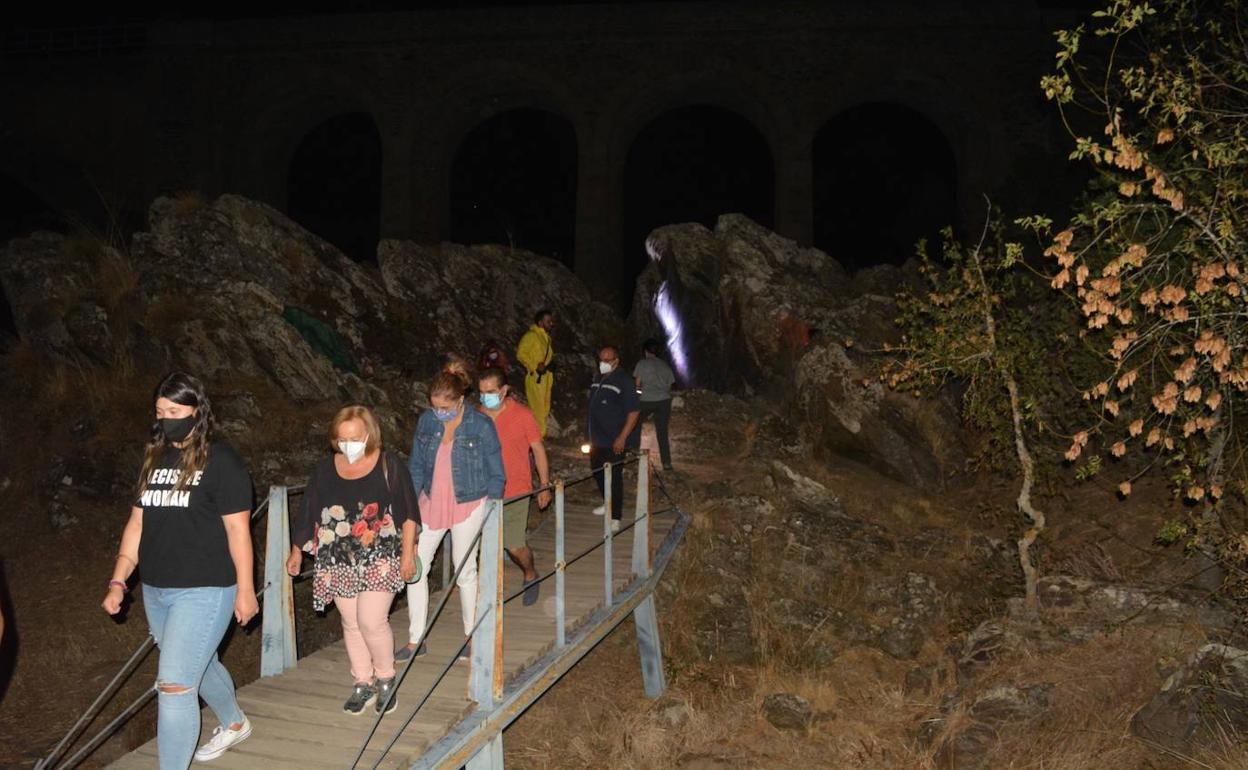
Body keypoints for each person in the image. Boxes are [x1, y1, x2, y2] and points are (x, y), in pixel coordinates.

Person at [101, 372, 257, 768]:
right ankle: (236, 724)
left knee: (173, 685)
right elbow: (136, 524)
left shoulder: (222, 460)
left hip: (205, 588)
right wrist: (119, 580)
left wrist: (245, 588)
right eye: (159, 411)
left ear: (196, 411)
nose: (166, 418)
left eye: (175, 410)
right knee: (198, 666)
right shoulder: (154, 457)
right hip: (156, 589)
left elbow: (238, 530)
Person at [287, 405, 420, 716]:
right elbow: (308, 510)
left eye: (355, 438)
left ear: (369, 435)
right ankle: (363, 681)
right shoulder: (324, 469)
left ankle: (386, 678)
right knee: (351, 623)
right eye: (342, 439)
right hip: (337, 555)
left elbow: (410, 513)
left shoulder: (389, 464)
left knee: (371, 621)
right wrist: (296, 551)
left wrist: (408, 554)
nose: (348, 445)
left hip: (381, 553)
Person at [398, 369, 506, 662]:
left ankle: (472, 637)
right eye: (434, 407)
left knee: (465, 569)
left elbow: (496, 470)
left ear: (460, 400)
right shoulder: (426, 422)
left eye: (444, 408)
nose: (438, 413)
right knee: (414, 567)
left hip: (469, 502)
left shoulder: (480, 424)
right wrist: (409, 506)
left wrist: (492, 509)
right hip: (431, 502)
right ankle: (415, 639)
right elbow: (417, 466)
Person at [477, 367, 551, 606]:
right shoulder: (479, 415)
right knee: (484, 545)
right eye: (481, 392)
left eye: (490, 392)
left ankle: (530, 574)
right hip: (483, 491)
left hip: (516, 488)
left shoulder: (523, 415)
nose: (485, 397)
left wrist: (544, 485)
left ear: (504, 390)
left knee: (514, 545)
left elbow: (538, 449)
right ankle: (488, 594)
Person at [587, 346, 640, 532]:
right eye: (601, 359)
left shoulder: (624, 381)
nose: (603, 363)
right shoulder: (598, 378)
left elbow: (633, 412)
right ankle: (607, 503)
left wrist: (622, 437)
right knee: (597, 472)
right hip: (596, 439)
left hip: (614, 439)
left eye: (608, 360)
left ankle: (615, 516)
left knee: (614, 477)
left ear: (617, 361)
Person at [633, 338, 677, 471]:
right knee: (662, 432)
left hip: (645, 400)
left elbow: (637, 384)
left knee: (634, 424)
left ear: (645, 351)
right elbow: (669, 385)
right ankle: (667, 463)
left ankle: (634, 455)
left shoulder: (642, 364)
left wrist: (638, 395)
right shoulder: (665, 365)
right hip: (663, 401)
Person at [516, 309, 555, 437]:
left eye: (551, 321)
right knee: (538, 410)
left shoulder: (546, 338)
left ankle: (538, 438)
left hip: (545, 378)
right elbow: (521, 354)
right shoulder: (531, 335)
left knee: (544, 410)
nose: (551, 323)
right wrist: (534, 366)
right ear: (540, 322)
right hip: (536, 378)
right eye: (548, 321)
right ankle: (536, 440)